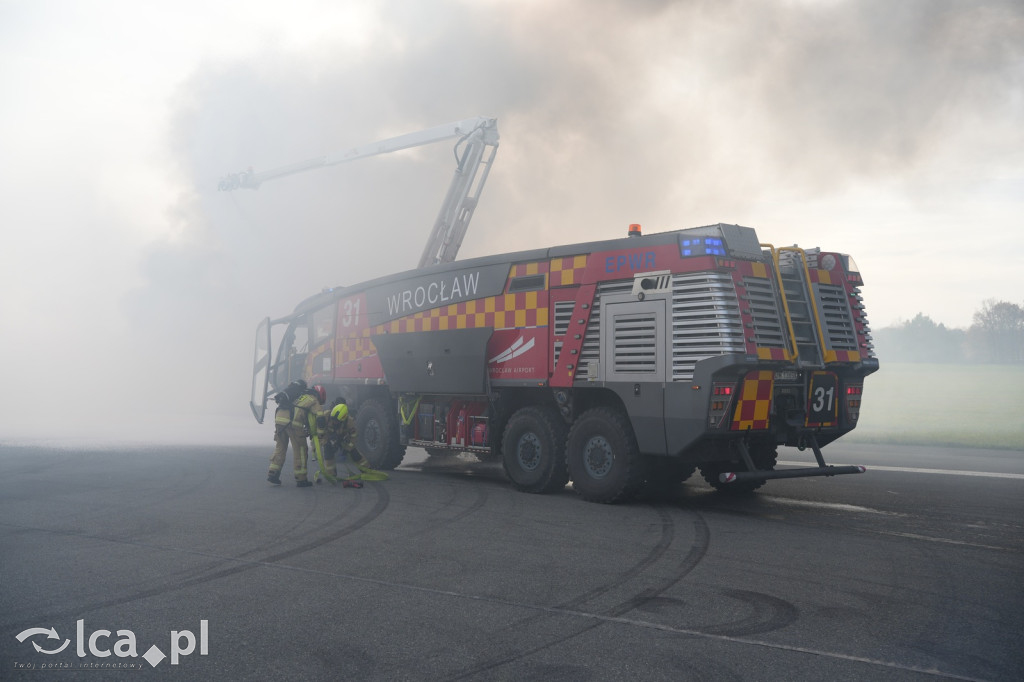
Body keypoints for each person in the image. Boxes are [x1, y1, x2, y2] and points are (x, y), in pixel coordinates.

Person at [267, 382, 326, 487]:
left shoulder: (298, 394)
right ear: (320, 395)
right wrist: (321, 434)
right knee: (301, 450)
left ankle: (273, 473)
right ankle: (301, 479)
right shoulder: (313, 398)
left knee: (280, 448)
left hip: (279, 419)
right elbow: (320, 417)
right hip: (292, 422)